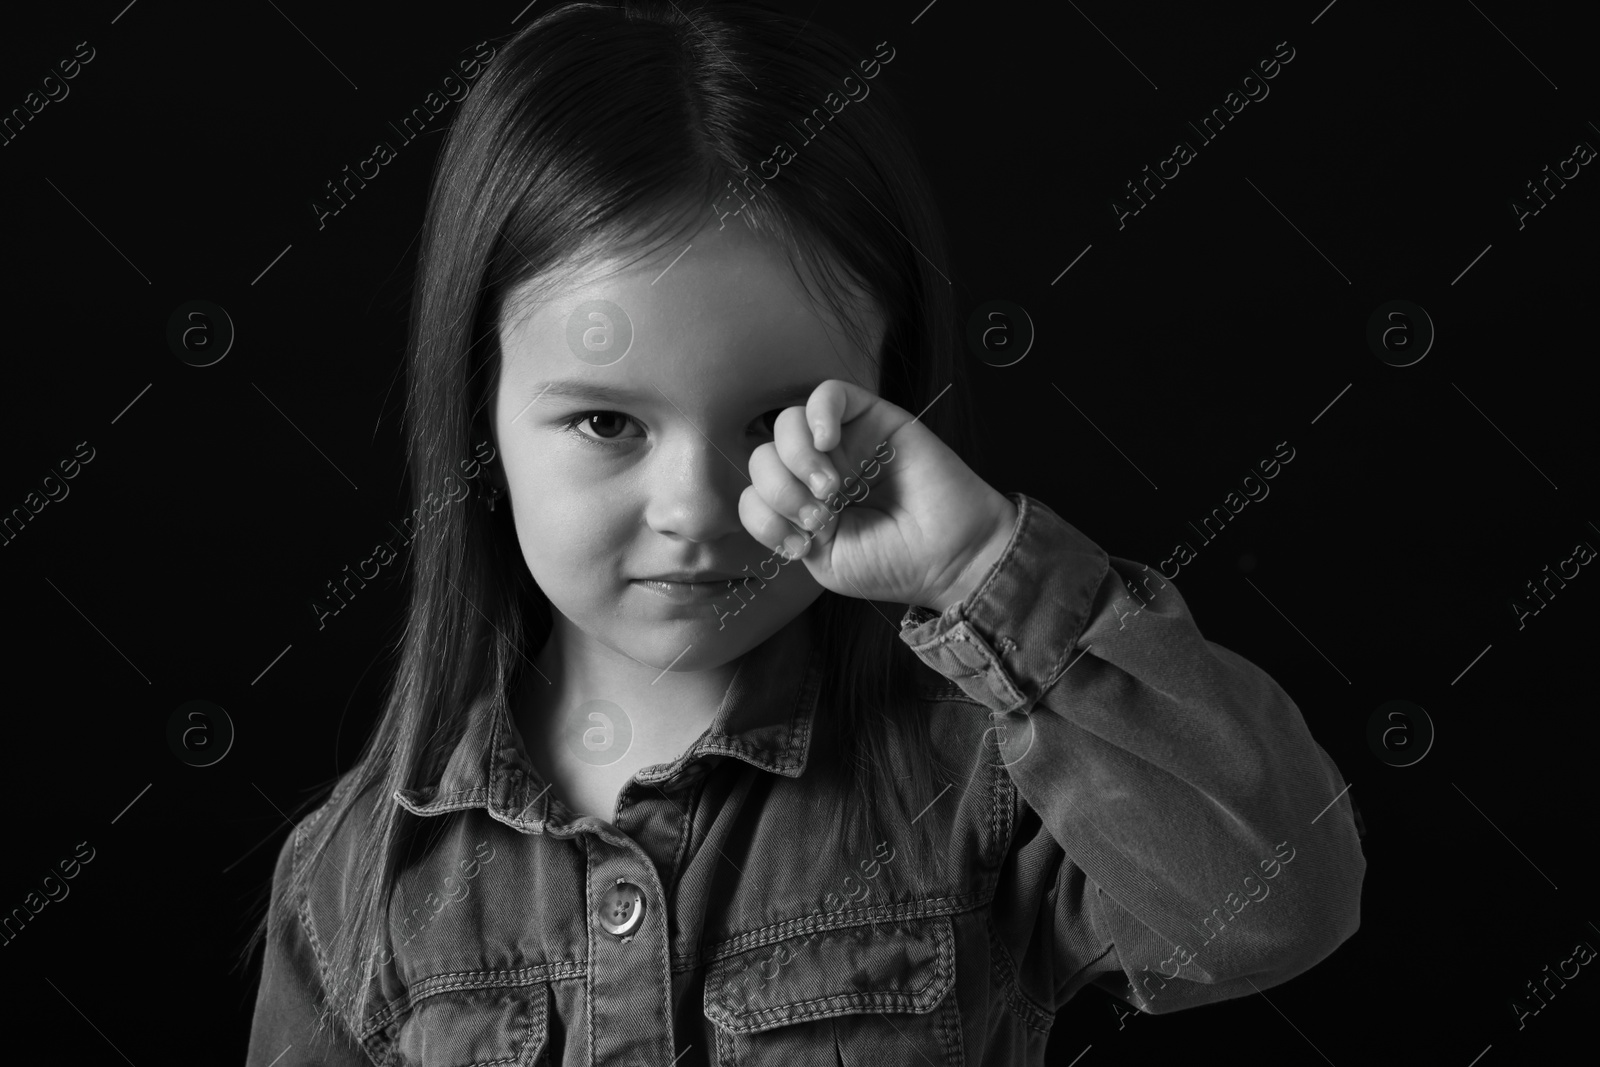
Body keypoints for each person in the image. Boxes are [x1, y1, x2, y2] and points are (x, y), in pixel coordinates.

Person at [242, 2, 1366, 1063]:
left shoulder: (975, 773)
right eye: (604, 419)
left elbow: (1277, 900)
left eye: (775, 422)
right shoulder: (358, 882)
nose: (694, 506)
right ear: (481, 407)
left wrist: (980, 566)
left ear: (887, 394)